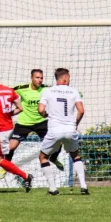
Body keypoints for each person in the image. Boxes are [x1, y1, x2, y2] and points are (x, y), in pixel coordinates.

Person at [1, 70, 63, 180]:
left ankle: (54, 158)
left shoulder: (46, 89)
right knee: (11, 146)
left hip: (41, 122)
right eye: (37, 77)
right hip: (24, 123)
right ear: (31, 78)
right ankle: (6, 165)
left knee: (57, 141)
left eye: (41, 78)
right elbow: (7, 92)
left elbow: (59, 92)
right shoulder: (22, 88)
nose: (39, 80)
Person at [38, 68, 88, 196]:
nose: (69, 79)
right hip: (70, 129)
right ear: (65, 78)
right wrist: (75, 124)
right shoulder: (74, 91)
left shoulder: (47, 91)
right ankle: (83, 186)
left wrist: (45, 114)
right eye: (69, 77)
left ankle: (53, 189)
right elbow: (81, 110)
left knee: (43, 157)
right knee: (75, 155)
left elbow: (41, 109)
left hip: (54, 130)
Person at [0, 70, 33, 192]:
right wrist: (7, 113)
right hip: (9, 126)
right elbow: (20, 108)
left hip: (0, 129)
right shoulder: (10, 90)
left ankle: (26, 176)